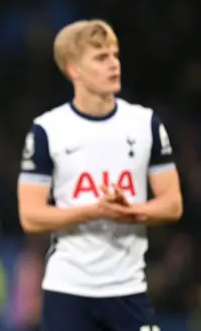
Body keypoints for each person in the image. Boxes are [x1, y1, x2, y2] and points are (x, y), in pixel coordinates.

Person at [17, 19, 183, 331]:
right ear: (73, 69)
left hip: (128, 288)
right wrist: (96, 211)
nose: (113, 64)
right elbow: (31, 216)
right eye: (100, 57)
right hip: (68, 290)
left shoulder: (146, 123)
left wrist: (129, 212)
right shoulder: (47, 129)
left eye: (115, 55)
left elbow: (173, 204)